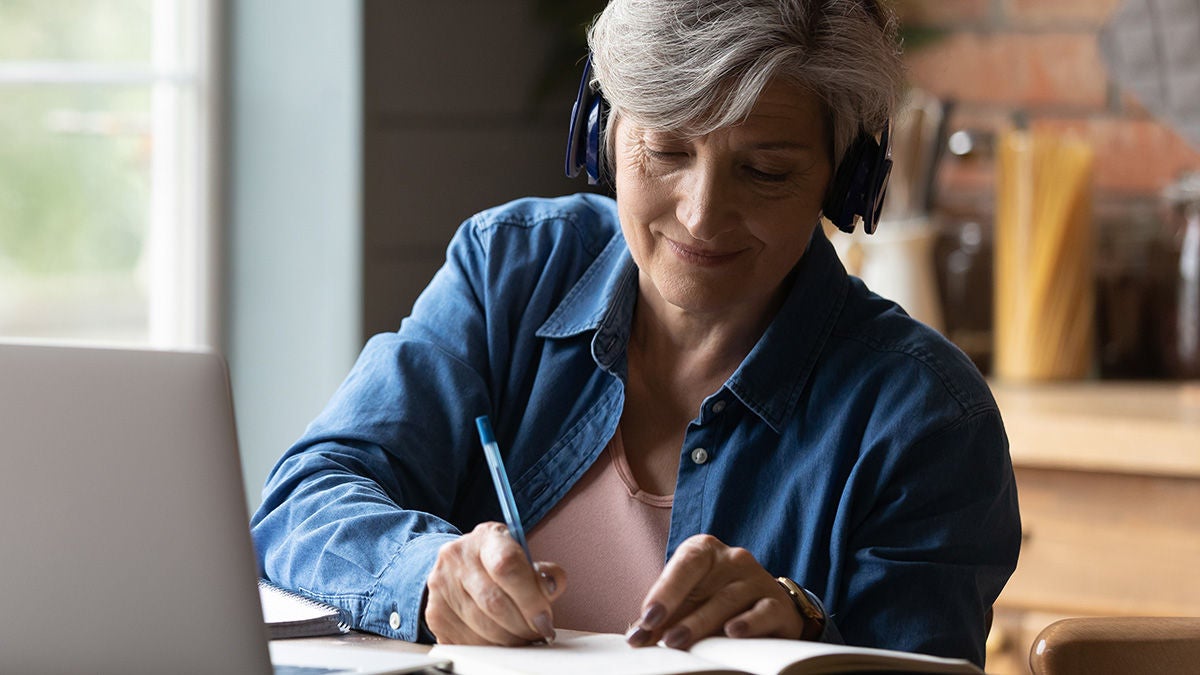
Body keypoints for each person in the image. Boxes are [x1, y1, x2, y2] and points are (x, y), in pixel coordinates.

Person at [251, 0, 1021, 668]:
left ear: (846, 181)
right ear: (603, 131)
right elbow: (303, 500)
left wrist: (802, 625)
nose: (700, 215)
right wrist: (427, 575)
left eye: (765, 171)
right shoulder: (508, 272)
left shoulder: (925, 419)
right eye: (667, 151)